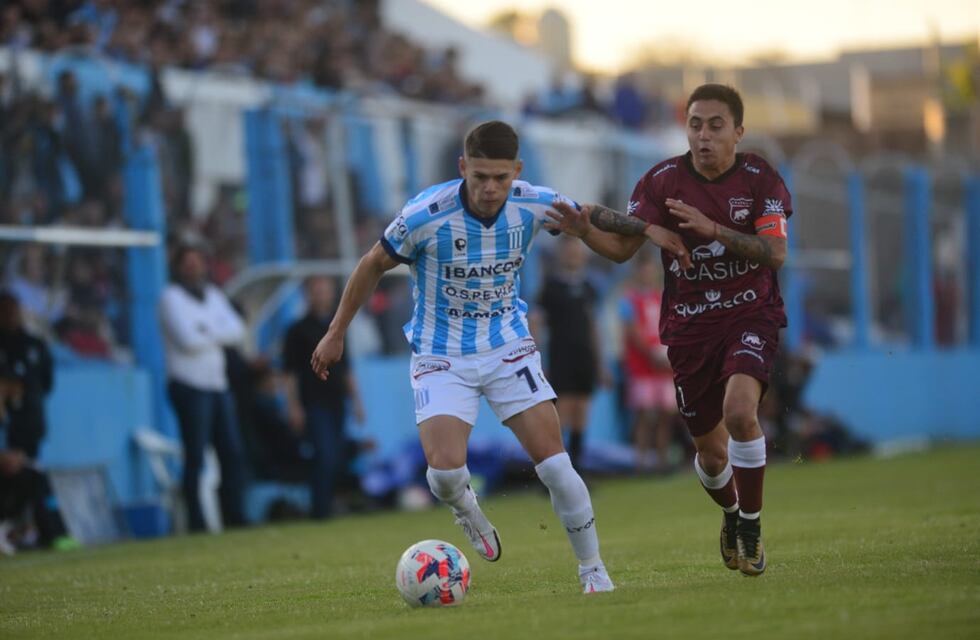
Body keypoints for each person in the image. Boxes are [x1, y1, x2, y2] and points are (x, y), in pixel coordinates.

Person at [311, 120, 689, 593]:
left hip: (508, 346)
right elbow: (372, 264)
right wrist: (336, 331)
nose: (491, 188)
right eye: (480, 177)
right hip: (440, 352)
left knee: (556, 466)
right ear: (463, 167)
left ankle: (593, 571)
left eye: (500, 178)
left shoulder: (536, 201)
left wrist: (646, 230)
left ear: (517, 171)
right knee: (445, 474)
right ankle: (465, 507)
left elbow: (610, 246)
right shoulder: (425, 214)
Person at [548, 84, 791, 576]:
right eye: (695, 125)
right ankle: (729, 513)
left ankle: (750, 524)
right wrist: (583, 230)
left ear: (738, 132)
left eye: (716, 125)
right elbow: (621, 250)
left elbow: (776, 253)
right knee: (709, 452)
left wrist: (714, 229)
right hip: (689, 329)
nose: (703, 136)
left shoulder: (760, 176)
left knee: (741, 412)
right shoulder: (661, 181)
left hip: (750, 314)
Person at [159, 243, 249, 531]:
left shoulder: (212, 294)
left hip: (217, 385)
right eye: (187, 262)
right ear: (178, 267)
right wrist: (216, 332)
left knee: (231, 454)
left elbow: (238, 330)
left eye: (198, 261)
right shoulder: (170, 298)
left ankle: (233, 517)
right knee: (195, 456)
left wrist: (206, 330)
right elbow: (187, 340)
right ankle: (197, 523)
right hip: (189, 385)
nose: (194, 267)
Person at [283, 275, 364, 519]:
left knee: (336, 455)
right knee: (324, 455)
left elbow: (347, 367)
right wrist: (293, 406)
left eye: (325, 290)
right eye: (316, 291)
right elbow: (289, 373)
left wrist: (357, 401)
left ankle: (330, 504)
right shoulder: (297, 330)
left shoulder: (337, 328)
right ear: (308, 295)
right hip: (313, 402)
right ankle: (320, 509)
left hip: (337, 400)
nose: (322, 295)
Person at [532, 235, 603, 472]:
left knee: (582, 412)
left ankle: (578, 469)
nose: (574, 255)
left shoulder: (588, 286)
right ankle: (557, 473)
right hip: (561, 357)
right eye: (569, 251)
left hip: (584, 358)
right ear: (561, 254)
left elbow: (593, 325)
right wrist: (537, 360)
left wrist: (599, 362)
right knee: (561, 414)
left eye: (577, 251)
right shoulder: (550, 287)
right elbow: (537, 322)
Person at [619, 250, 677, 474]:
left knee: (665, 415)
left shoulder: (662, 298)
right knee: (644, 414)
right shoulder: (629, 300)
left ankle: (661, 461)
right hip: (642, 368)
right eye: (643, 270)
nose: (647, 274)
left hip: (664, 367)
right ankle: (641, 462)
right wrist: (653, 354)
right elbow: (632, 333)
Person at [0, 290, 54, 460]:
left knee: (26, 473)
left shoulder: (34, 345)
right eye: (5, 311)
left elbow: (46, 383)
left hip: (28, 424)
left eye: (13, 311)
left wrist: (25, 392)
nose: (11, 316)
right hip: (6, 426)